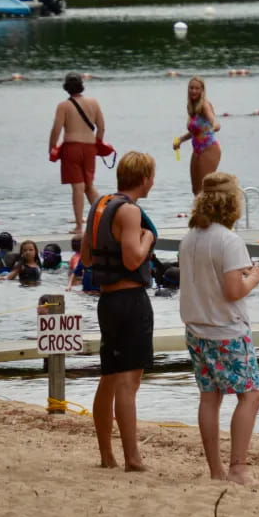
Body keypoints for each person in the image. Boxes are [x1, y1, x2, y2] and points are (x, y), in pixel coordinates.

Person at [178, 172, 259, 484]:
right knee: (251, 395)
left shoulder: (190, 238)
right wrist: (253, 277)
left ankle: (216, 470)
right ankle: (238, 467)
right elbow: (232, 290)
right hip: (225, 329)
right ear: (231, 203)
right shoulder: (229, 240)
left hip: (196, 328)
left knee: (210, 396)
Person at [80, 151, 157, 471]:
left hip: (107, 302)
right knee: (129, 381)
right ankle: (132, 458)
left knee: (109, 377)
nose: (153, 182)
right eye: (151, 176)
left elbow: (86, 258)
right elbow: (131, 260)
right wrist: (148, 237)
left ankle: (106, 455)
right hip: (130, 300)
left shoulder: (99, 207)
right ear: (143, 179)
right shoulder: (129, 212)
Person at [50, 72, 106, 233]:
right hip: (90, 147)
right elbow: (101, 127)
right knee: (89, 185)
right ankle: (104, 217)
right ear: (82, 85)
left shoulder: (64, 106)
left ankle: (79, 226)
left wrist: (52, 147)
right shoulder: (93, 103)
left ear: (66, 87)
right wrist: (98, 143)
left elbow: (56, 129)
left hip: (72, 146)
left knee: (77, 186)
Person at [174, 76, 221, 195]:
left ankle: (211, 212)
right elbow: (196, 131)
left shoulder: (205, 105)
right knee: (195, 190)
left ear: (202, 90)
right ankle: (199, 213)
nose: (193, 91)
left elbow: (214, 122)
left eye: (197, 88)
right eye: (191, 88)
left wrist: (214, 126)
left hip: (209, 148)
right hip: (197, 149)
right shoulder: (191, 107)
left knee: (204, 189)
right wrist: (181, 139)